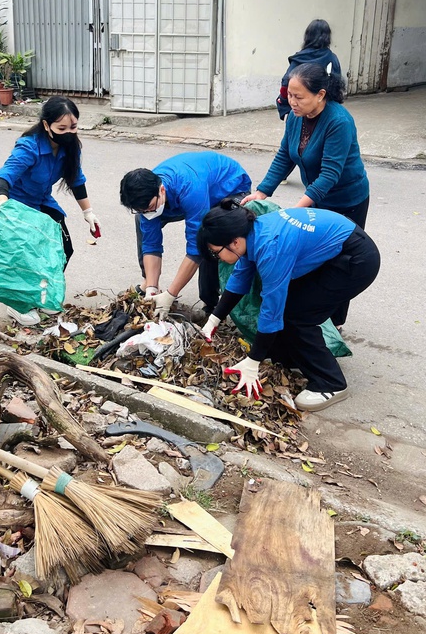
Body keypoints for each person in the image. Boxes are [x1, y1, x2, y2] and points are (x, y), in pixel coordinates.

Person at [198, 201, 380, 412]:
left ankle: (331, 383)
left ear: (234, 242)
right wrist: (214, 319)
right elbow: (240, 277)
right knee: (291, 309)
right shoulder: (252, 233)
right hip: (338, 251)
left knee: (298, 315)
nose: (216, 257)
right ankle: (291, 358)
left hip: (356, 260)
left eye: (215, 252)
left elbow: (271, 310)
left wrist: (253, 360)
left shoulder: (271, 247)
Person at [244, 62, 369, 325]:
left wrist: (297, 208)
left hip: (347, 200)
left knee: (340, 263)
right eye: (289, 95)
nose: (292, 102)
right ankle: (312, 318)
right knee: (314, 258)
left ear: (320, 95)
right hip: (317, 199)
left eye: (298, 97)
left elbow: (330, 175)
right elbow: (284, 157)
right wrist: (262, 192)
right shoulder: (295, 118)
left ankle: (335, 323)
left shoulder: (339, 121)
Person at [0, 96, 101, 320]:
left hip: (42, 201)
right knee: (27, 256)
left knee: (63, 249)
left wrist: (87, 212)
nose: (69, 132)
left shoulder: (71, 147)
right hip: (18, 206)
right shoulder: (29, 147)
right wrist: (2, 202)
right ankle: (18, 305)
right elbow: (4, 176)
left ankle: (42, 295)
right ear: (46, 125)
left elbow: (76, 180)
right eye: (61, 128)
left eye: (73, 126)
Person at [119, 152, 252, 319]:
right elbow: (151, 245)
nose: (148, 212)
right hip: (187, 195)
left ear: (161, 190)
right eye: (142, 209)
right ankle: (150, 286)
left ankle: (211, 305)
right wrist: (152, 289)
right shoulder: (146, 198)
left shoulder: (189, 187)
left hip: (230, 190)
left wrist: (171, 294)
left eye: (151, 207)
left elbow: (195, 249)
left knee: (210, 238)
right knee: (142, 221)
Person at [276, 19, 342, 121]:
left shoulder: (299, 58)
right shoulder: (332, 59)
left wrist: (285, 106)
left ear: (307, 36)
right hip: (325, 112)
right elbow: (337, 88)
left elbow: (285, 84)